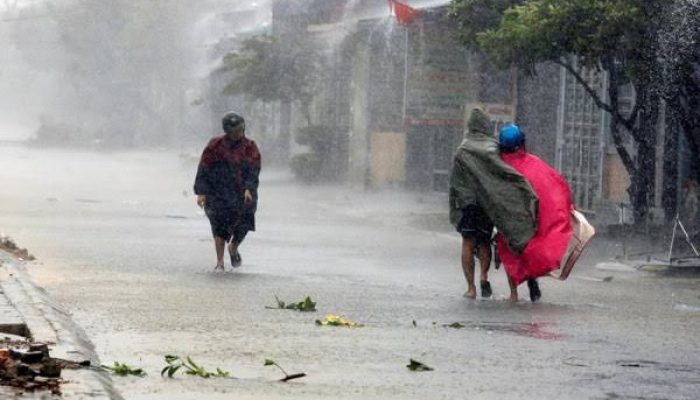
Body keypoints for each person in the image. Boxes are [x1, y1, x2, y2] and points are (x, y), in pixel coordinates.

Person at [449, 108, 539, 299]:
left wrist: (455, 206)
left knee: (467, 242)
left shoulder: (462, 151)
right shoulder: (493, 148)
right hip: (488, 203)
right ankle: (484, 276)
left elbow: (455, 183)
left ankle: (471, 288)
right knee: (484, 242)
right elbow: (503, 173)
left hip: (468, 204)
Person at [496, 123, 574, 302]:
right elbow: (554, 185)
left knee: (509, 251)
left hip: (510, 217)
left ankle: (513, 294)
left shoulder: (499, 167)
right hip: (530, 216)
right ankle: (532, 280)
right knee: (529, 249)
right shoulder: (534, 164)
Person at [194, 112, 261, 271]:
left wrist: (249, 188)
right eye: (235, 130)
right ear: (227, 131)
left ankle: (234, 247)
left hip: (242, 192)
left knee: (244, 222)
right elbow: (204, 168)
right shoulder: (215, 145)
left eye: (240, 129)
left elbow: (253, 170)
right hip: (218, 191)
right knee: (218, 224)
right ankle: (220, 262)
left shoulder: (250, 147)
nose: (238, 133)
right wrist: (201, 192)